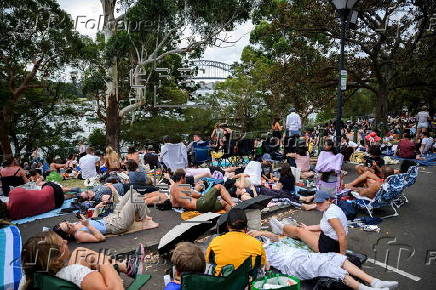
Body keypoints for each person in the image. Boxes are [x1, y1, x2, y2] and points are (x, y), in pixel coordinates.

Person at [248, 230, 399, 290]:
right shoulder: (257, 253)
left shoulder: (266, 242)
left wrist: (260, 232)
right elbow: (266, 268)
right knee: (327, 266)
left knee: (338, 257)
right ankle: (363, 288)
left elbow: (276, 237)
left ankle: (374, 281)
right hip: (294, 264)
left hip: (304, 256)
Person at [21, 230, 146, 289]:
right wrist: (101, 259)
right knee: (99, 262)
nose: (66, 241)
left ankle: (128, 267)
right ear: (54, 259)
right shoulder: (74, 272)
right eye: (62, 244)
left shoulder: (32, 275)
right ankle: (125, 267)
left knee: (80, 252)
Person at [53, 189, 159, 243]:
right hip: (117, 225)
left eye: (66, 222)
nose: (69, 223)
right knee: (135, 198)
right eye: (67, 226)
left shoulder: (76, 224)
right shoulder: (79, 235)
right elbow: (100, 238)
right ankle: (144, 220)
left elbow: (93, 219)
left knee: (132, 192)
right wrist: (88, 225)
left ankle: (139, 216)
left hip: (111, 217)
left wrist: (97, 208)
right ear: (68, 235)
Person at [269, 190, 348, 254]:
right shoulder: (331, 208)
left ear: (328, 200)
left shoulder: (331, 214)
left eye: (321, 202)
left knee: (299, 231)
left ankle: (280, 228)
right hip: (330, 240)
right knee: (306, 229)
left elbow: (342, 234)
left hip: (329, 247)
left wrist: (341, 256)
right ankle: (285, 229)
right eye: (317, 203)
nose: (318, 205)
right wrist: (308, 228)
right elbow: (323, 226)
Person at [205, 208, 266, 276]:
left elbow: (208, 261)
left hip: (222, 282)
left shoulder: (215, 241)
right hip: (247, 283)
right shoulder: (256, 243)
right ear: (246, 225)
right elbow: (262, 264)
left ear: (227, 225)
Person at [170, 169, 236, 212]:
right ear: (182, 178)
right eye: (185, 178)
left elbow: (173, 204)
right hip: (200, 204)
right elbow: (198, 195)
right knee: (219, 187)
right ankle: (233, 205)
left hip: (198, 209)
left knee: (224, 202)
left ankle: (231, 220)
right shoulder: (183, 186)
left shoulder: (172, 189)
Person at [0, 182, 69, 220]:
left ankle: (68, 196)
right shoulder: (13, 194)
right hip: (55, 191)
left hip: (57, 204)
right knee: (45, 185)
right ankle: (70, 189)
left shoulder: (13, 217)